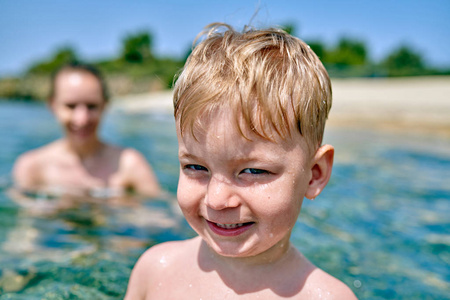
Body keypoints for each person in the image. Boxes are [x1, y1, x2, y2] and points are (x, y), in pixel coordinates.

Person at [125, 23, 357, 299]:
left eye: (253, 171)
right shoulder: (154, 271)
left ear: (315, 174)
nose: (217, 200)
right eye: (195, 167)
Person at [12, 62, 161, 198]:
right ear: (52, 105)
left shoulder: (129, 164)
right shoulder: (31, 168)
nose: (82, 119)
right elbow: (25, 226)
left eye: (91, 106)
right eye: (71, 106)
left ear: (105, 105)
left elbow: (161, 217)